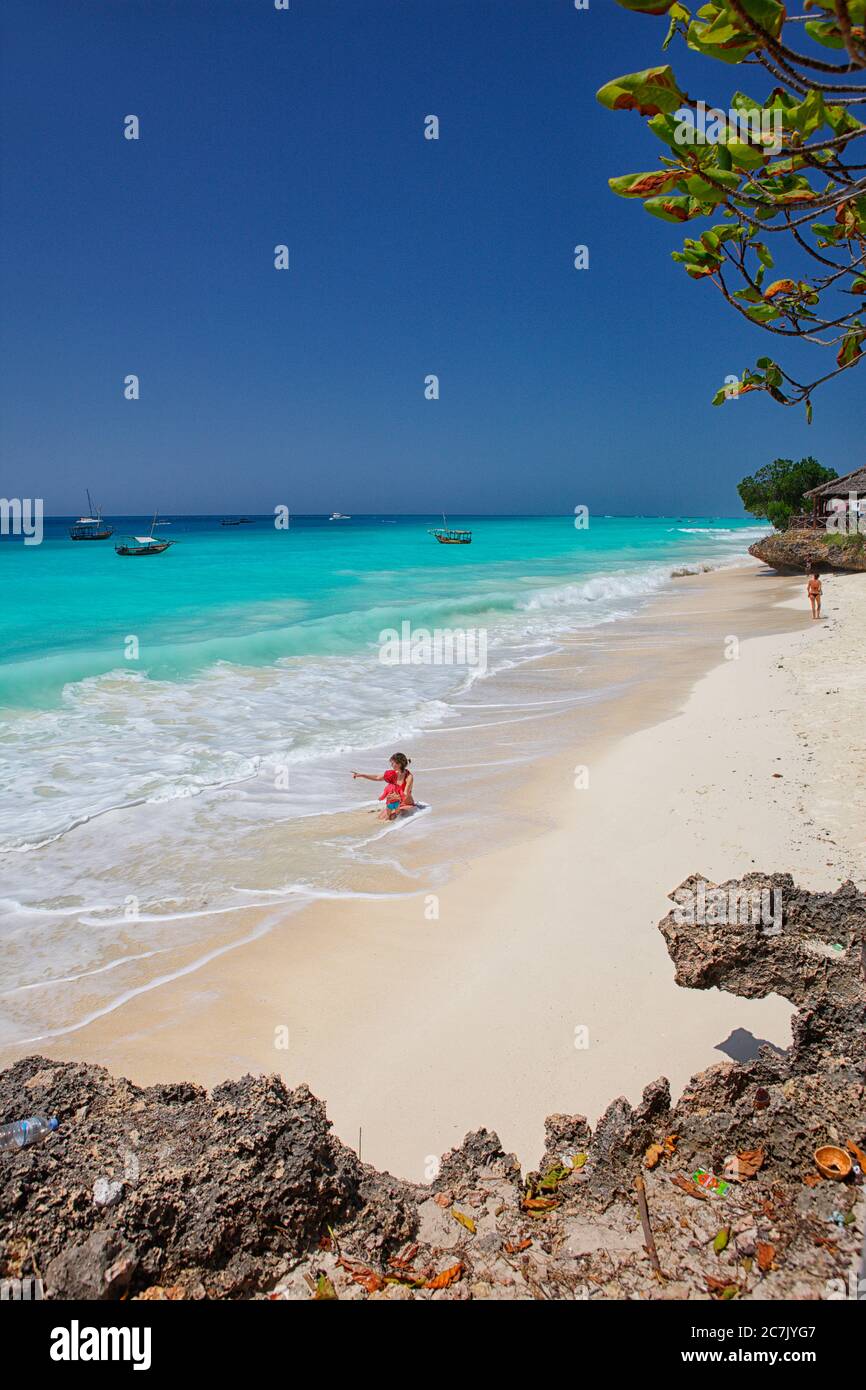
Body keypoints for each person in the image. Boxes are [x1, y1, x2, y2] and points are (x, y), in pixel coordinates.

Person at [352, 752, 416, 815]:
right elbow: (377, 777)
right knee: (381, 816)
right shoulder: (393, 773)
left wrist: (397, 797)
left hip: (407, 804)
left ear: (399, 764)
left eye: (392, 763)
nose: (391, 765)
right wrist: (361, 775)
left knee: (391, 817)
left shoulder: (409, 777)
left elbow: (405, 794)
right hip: (396, 803)